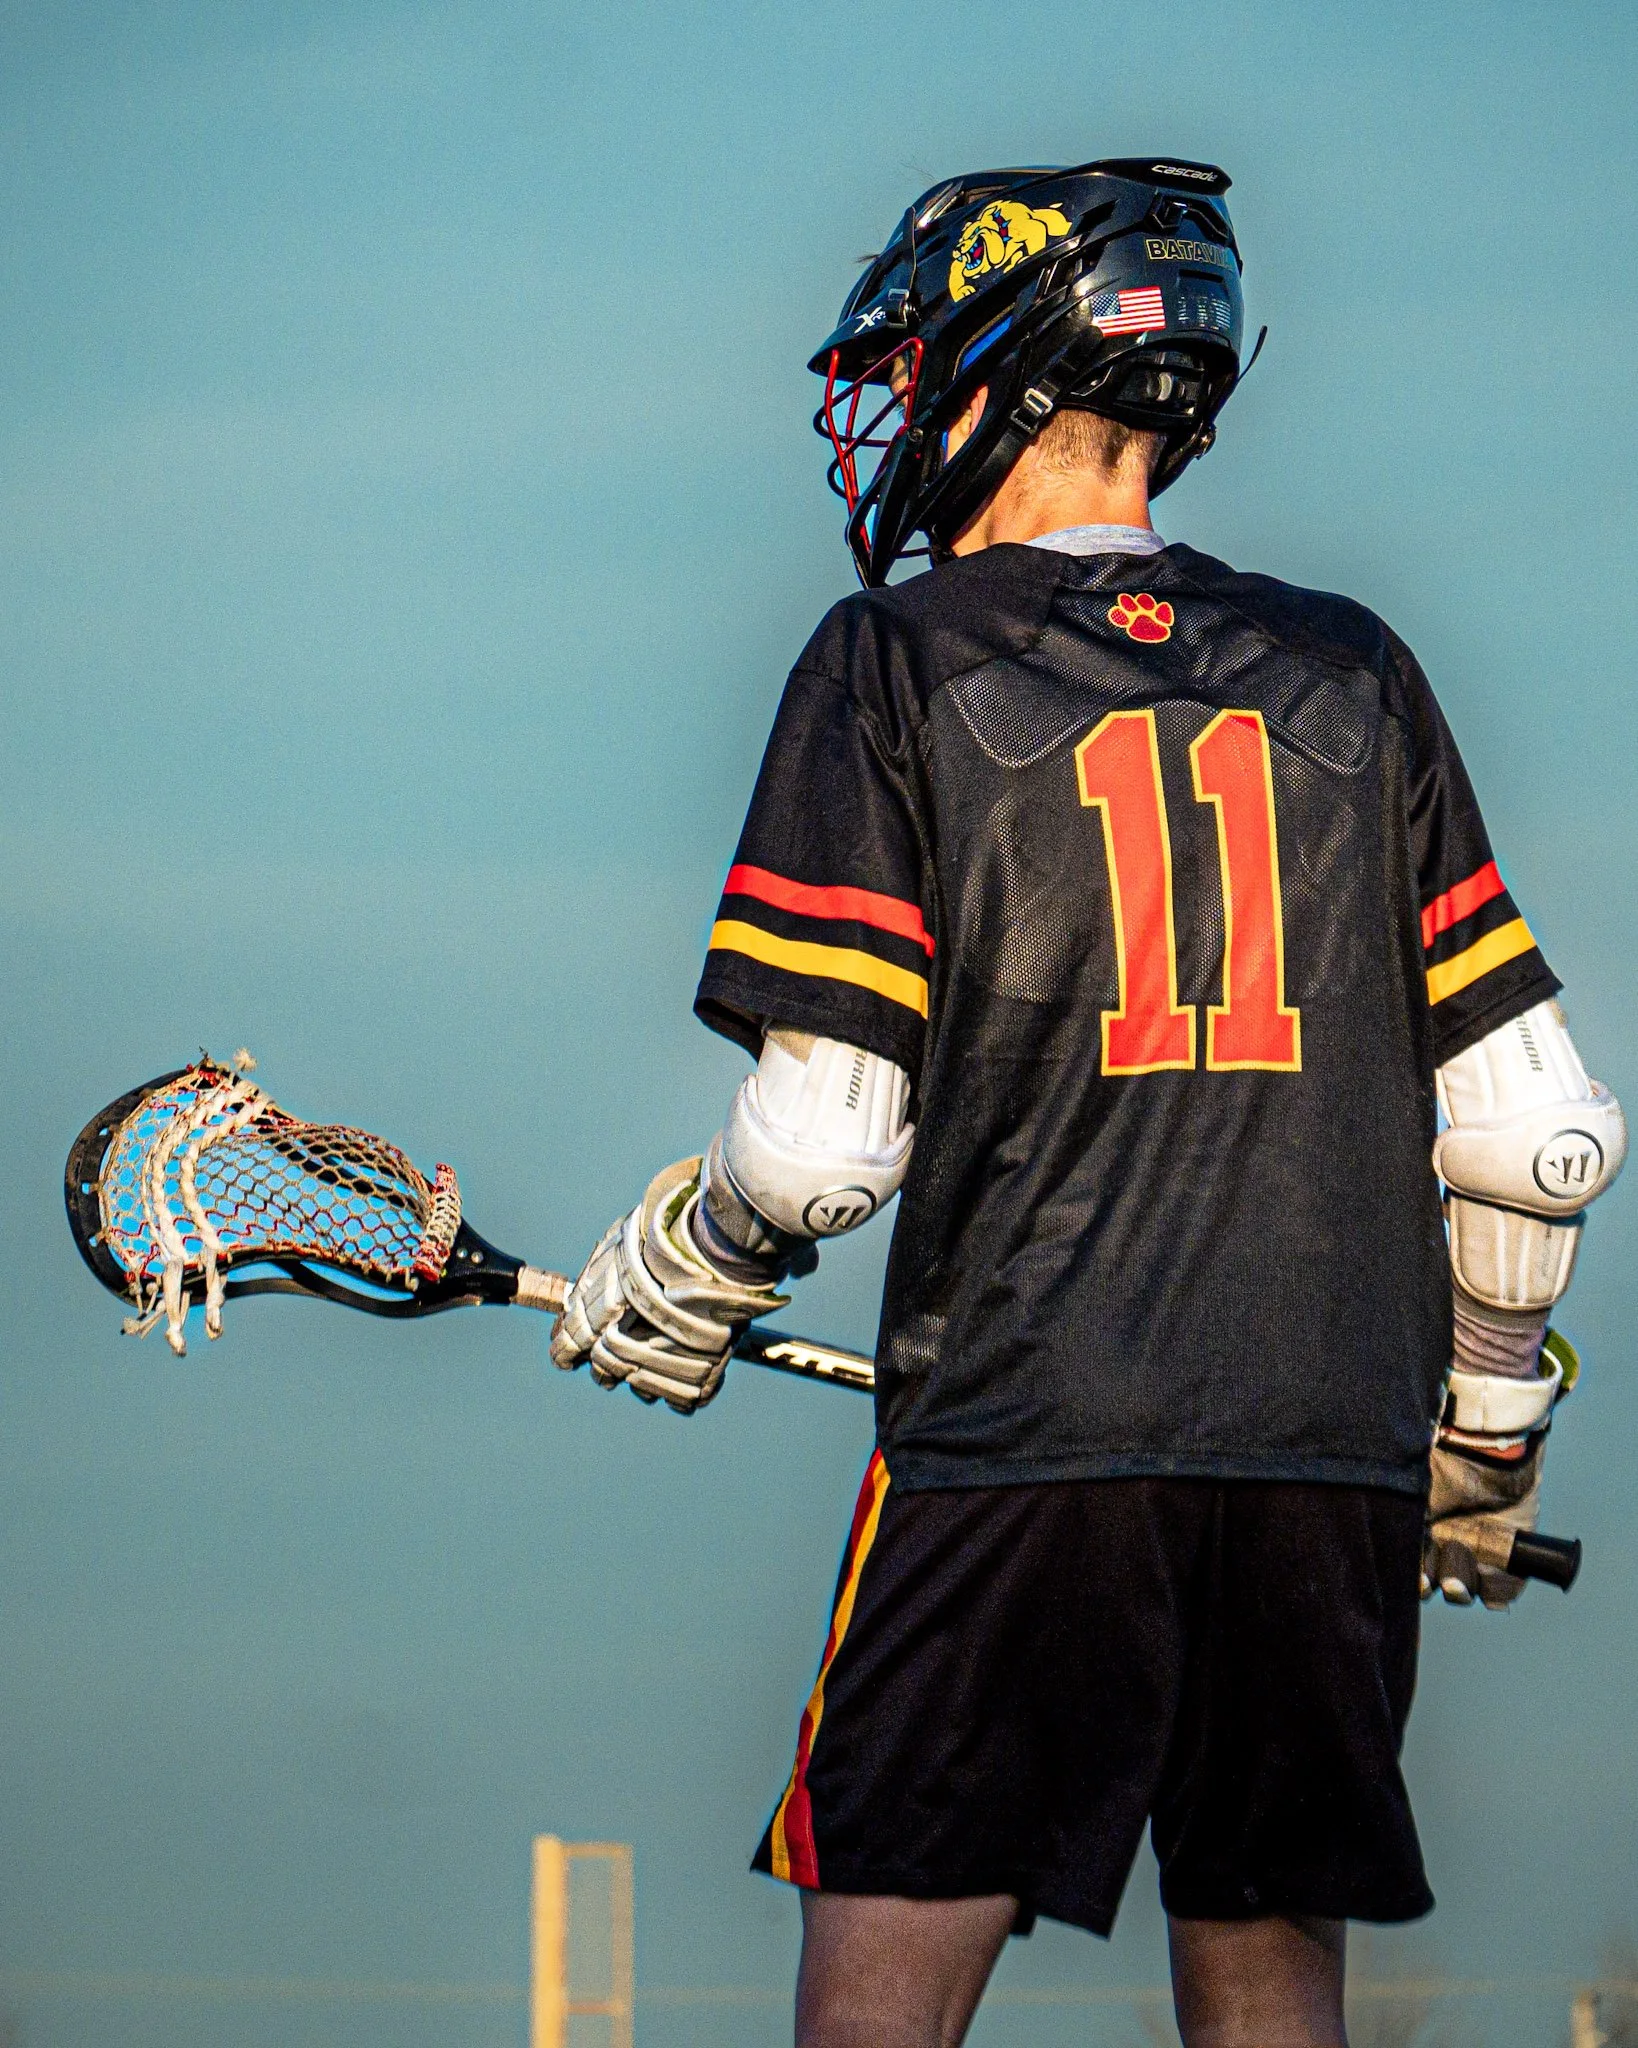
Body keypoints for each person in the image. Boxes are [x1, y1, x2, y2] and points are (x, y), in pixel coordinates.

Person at [550, 159, 1625, 2048]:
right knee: (1269, 1978)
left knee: (885, 1980)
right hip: (1328, 1432)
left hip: (1024, 1428)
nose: (890, 415)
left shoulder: (894, 658)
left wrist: (688, 1261)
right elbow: (1535, 1129)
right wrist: (1479, 1425)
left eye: (911, 371)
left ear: (1005, 371)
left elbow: (816, 1149)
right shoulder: (1348, 664)